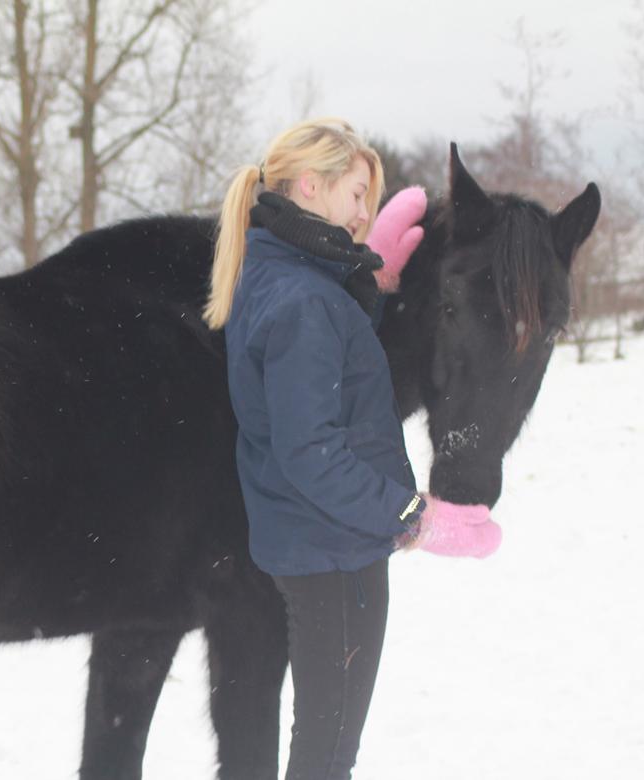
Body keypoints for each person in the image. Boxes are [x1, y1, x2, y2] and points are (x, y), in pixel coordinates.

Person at [204, 117, 501, 780]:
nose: (365, 212)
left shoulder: (283, 278)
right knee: (326, 757)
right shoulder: (304, 299)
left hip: (313, 545)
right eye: (357, 194)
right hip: (336, 555)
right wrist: (412, 515)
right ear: (310, 186)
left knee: (323, 748)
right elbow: (310, 449)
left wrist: (368, 276)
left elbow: (322, 371)